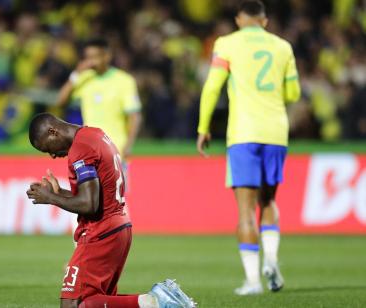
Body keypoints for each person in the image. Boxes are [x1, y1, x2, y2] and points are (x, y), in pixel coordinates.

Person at [26, 113, 195, 308]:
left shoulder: (80, 149)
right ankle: (154, 302)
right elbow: (97, 194)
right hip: (119, 227)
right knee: (98, 301)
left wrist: (51, 198)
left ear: (53, 131)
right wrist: (59, 193)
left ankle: (155, 302)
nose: (53, 155)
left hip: (101, 232)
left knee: (73, 304)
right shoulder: (94, 134)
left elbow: (90, 205)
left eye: (47, 149)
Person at [197, 0, 301, 295]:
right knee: (268, 202)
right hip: (276, 132)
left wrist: (203, 128)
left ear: (239, 19)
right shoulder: (283, 47)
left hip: (243, 133)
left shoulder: (227, 43)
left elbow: (212, 87)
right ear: (265, 21)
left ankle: (254, 281)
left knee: (245, 211)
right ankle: (271, 259)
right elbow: (293, 92)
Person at [56, 38, 142, 160]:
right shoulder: (84, 78)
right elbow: (60, 101)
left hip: (115, 150)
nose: (90, 62)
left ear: (107, 56)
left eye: (94, 57)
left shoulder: (124, 81)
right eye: (87, 57)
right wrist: (76, 73)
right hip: (89, 151)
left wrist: (128, 145)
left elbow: (134, 116)